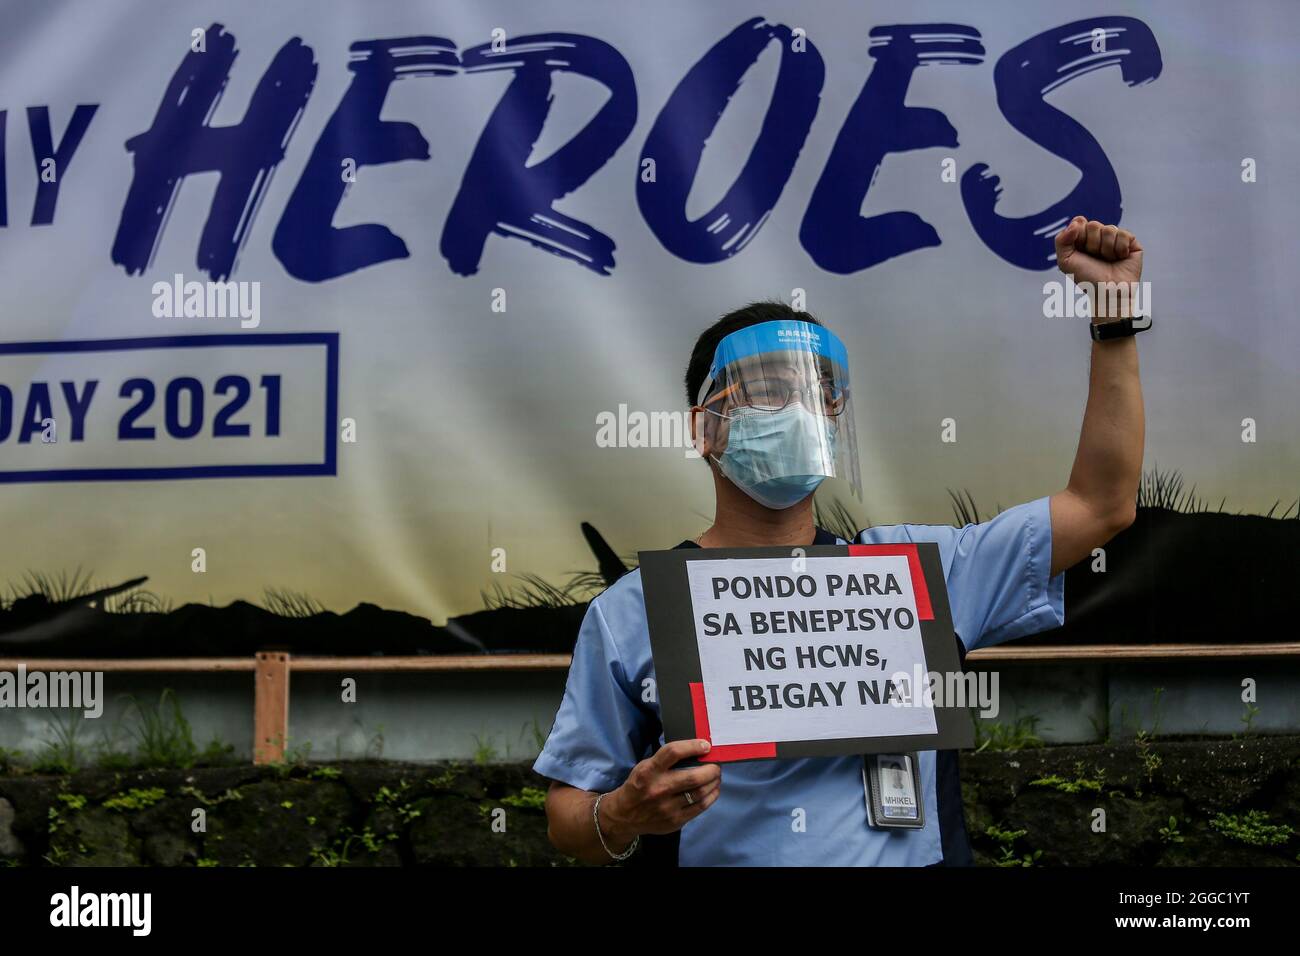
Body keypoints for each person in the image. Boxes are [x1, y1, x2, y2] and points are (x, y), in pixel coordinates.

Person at [534, 217, 1146, 866]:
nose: (800, 410)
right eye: (770, 389)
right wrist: (622, 812)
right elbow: (567, 818)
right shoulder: (634, 611)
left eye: (818, 392)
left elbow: (1101, 505)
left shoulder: (918, 571)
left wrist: (1114, 317)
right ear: (705, 427)